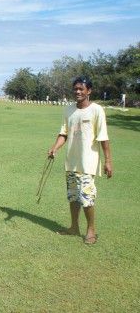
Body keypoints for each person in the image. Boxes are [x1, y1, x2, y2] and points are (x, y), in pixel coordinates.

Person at [47, 76, 113, 245]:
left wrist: (107, 161)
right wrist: (55, 148)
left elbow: (103, 138)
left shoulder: (96, 110)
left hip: (87, 163)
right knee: (73, 196)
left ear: (89, 91)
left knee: (87, 198)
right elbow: (64, 133)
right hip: (71, 162)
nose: (77, 91)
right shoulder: (68, 110)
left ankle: (91, 230)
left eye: (81, 89)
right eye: (75, 88)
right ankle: (74, 227)